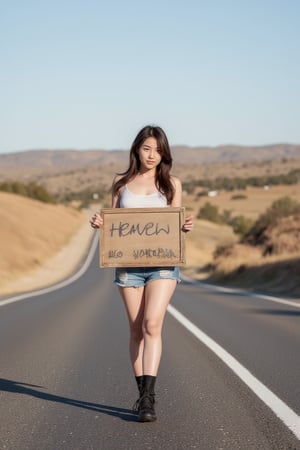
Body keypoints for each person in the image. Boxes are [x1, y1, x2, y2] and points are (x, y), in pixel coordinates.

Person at [90, 125, 193, 422]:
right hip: (128, 267)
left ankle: (148, 400)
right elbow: (112, 222)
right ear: (137, 149)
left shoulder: (172, 183)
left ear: (165, 153)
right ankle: (141, 394)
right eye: (147, 148)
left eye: (158, 150)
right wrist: (99, 221)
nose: (152, 155)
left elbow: (176, 222)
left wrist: (183, 227)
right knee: (136, 329)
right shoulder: (120, 182)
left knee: (152, 323)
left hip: (162, 264)